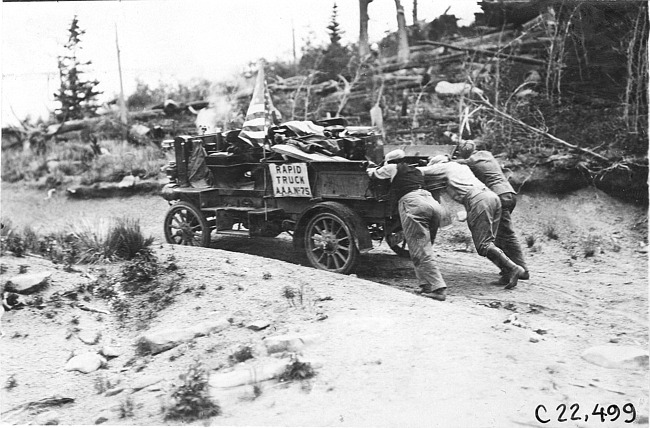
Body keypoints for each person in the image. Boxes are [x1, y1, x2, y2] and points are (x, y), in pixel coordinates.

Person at [418, 154, 525, 289]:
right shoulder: (461, 167)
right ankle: (507, 274)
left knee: (483, 245)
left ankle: (513, 268)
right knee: (492, 240)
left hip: (478, 199)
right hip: (492, 197)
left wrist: (396, 168)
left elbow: (419, 172)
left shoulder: (444, 166)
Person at [367, 149, 447, 301]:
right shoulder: (416, 170)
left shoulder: (391, 168)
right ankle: (425, 285)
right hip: (432, 203)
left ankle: (439, 288)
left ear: (390, 161)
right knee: (423, 247)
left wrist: (371, 167)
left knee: (421, 249)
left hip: (413, 204)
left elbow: (372, 173)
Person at [455, 141, 529, 283]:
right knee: (503, 234)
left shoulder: (470, 161)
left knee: (504, 236)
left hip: (498, 196)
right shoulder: (486, 154)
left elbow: (457, 164)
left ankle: (519, 270)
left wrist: (445, 159)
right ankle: (512, 268)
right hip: (509, 193)